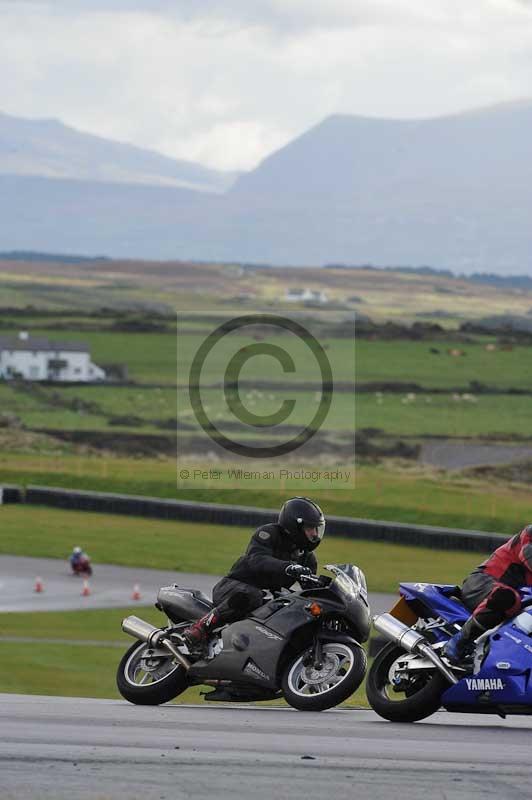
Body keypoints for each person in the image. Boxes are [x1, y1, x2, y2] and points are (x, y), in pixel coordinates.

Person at [182, 497, 325, 651]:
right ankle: (199, 628)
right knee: (252, 595)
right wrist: (288, 567)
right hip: (232, 589)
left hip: (265, 598)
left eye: (317, 529)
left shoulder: (308, 558)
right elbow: (256, 559)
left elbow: (309, 592)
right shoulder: (269, 533)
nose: (315, 534)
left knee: (290, 606)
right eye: (311, 528)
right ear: (295, 525)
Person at [444, 525, 532, 663]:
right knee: (507, 598)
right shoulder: (529, 535)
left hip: (518, 600)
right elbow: (528, 556)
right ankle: (459, 641)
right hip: (482, 584)